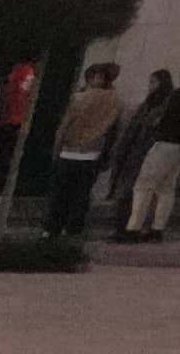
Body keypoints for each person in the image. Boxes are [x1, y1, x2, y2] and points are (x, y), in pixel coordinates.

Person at [121, 53, 180, 237]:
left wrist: (159, 126)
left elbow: (171, 117)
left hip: (169, 141)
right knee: (166, 187)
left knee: (145, 183)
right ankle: (158, 227)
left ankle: (134, 226)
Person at [44, 59, 124, 237]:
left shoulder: (79, 98)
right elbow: (116, 130)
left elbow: (64, 126)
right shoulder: (115, 101)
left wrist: (56, 149)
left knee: (60, 194)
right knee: (81, 195)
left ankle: (53, 227)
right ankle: (73, 228)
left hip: (69, 151)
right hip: (92, 154)